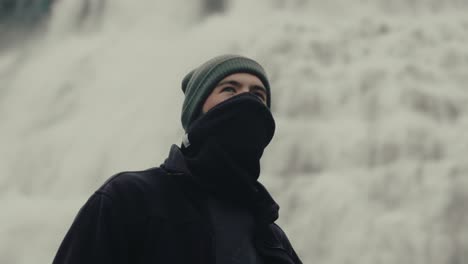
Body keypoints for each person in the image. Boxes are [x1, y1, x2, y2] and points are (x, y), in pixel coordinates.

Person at [53, 54, 302, 264]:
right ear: (196, 111)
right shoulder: (129, 199)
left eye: (258, 95)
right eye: (229, 89)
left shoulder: (272, 238)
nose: (246, 100)